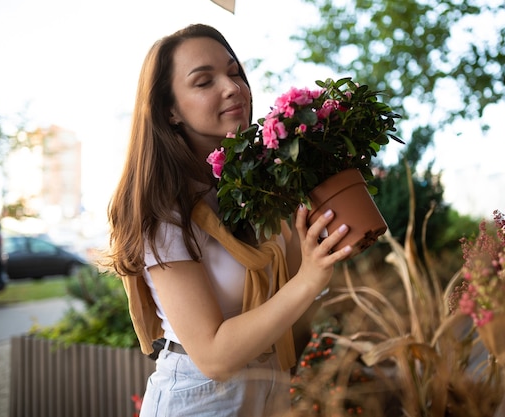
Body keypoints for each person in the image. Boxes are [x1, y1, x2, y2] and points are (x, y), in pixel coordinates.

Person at [106, 23, 352, 416]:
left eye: (235, 72)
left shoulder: (257, 189)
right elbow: (214, 355)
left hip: (266, 391)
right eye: (204, 82)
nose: (233, 87)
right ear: (170, 110)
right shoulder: (165, 211)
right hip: (200, 399)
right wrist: (308, 280)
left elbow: (289, 307)